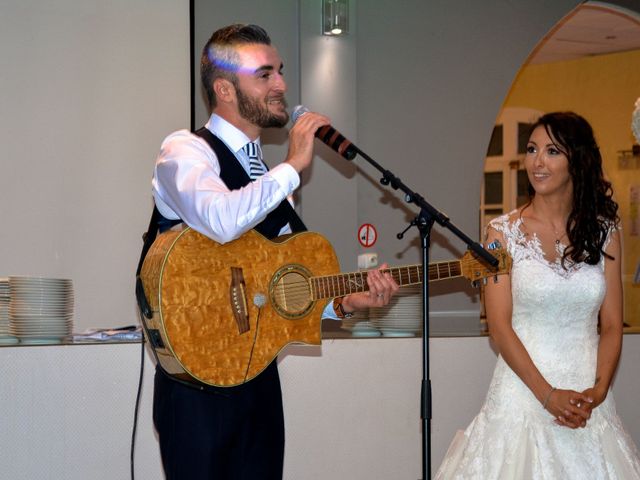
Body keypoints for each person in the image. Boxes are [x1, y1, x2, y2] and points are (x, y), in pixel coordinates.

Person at [148, 24, 399, 479]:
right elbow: (220, 220)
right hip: (196, 390)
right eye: (265, 75)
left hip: (259, 380)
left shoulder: (266, 173)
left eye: (279, 71)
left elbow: (278, 285)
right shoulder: (185, 151)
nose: (281, 84)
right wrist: (293, 167)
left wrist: (343, 302)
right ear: (224, 89)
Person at [436, 112, 640, 478]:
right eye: (532, 149)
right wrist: (547, 396)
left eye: (551, 151)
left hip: (587, 399)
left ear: (577, 161)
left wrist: (598, 390)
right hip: (523, 394)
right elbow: (499, 327)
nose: (537, 161)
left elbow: (611, 325)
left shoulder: (605, 230)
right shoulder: (501, 233)